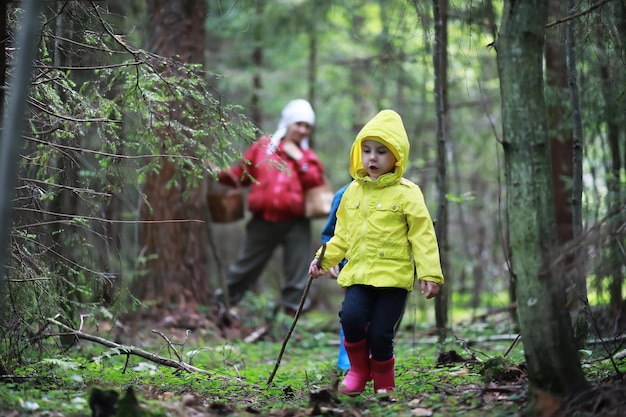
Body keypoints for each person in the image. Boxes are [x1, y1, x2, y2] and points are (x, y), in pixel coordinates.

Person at [308, 109, 444, 396]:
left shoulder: (408, 193)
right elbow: (341, 235)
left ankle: (384, 380)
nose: (372, 158)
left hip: (393, 279)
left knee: (382, 333)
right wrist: (324, 259)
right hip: (358, 273)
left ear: (397, 156)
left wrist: (430, 273)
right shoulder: (352, 193)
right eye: (366, 150)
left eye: (381, 152)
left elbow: (422, 235)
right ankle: (358, 370)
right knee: (351, 318)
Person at [215, 99, 327, 316]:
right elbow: (242, 175)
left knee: (298, 269)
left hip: (296, 222)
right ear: (287, 123)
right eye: (299, 124)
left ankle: (291, 313)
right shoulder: (264, 146)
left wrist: (299, 159)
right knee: (246, 264)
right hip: (262, 220)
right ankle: (224, 303)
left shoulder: (307, 156)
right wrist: (218, 172)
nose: (303, 130)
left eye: (307, 126)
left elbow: (316, 181)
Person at [320, 183, 350, 371]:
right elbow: (330, 233)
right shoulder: (344, 193)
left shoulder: (400, 192)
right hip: (352, 267)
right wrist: (331, 261)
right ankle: (347, 360)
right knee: (352, 313)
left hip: (388, 270)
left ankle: (376, 357)